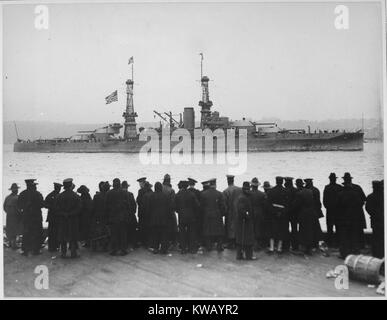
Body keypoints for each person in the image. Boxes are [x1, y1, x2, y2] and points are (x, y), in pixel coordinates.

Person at [337, 173, 366, 259]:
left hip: (344, 217)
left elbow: (337, 206)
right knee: (355, 233)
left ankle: (345, 253)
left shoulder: (340, 193)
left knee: (344, 235)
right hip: (355, 216)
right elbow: (363, 201)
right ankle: (356, 250)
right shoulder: (356, 190)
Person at [293, 179, 321, 255]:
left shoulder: (299, 193)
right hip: (312, 213)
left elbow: (296, 205)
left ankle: (306, 249)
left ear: (297, 185)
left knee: (304, 231)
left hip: (304, 214)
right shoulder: (310, 191)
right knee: (311, 230)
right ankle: (310, 247)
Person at [56, 178, 82, 258]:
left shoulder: (59, 196)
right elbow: (79, 208)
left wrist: (64, 214)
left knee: (63, 236)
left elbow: (56, 209)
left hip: (63, 219)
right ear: (71, 185)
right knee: (73, 236)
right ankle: (73, 253)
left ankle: (63, 253)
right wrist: (70, 214)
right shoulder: (76, 196)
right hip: (73, 219)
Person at [17, 179, 44, 256]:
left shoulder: (22, 194)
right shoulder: (37, 194)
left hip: (26, 217)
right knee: (36, 233)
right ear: (32, 186)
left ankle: (25, 250)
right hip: (36, 217)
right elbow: (42, 204)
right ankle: (36, 250)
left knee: (26, 233)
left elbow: (19, 206)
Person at [106, 178, 130, 256]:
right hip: (122, 217)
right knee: (123, 234)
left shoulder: (109, 193)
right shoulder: (124, 193)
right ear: (119, 184)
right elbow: (128, 205)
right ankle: (123, 250)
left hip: (113, 217)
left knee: (114, 234)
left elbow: (106, 205)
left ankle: (114, 250)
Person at [200, 179, 226, 252]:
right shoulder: (219, 194)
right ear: (215, 184)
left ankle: (208, 247)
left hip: (207, 215)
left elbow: (201, 206)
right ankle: (219, 246)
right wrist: (222, 214)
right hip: (217, 215)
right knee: (219, 231)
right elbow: (223, 206)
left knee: (207, 231)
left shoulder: (203, 194)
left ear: (209, 184)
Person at [175, 180, 200, 254]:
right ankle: (191, 248)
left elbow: (174, 206)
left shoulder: (178, 195)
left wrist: (178, 211)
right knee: (192, 232)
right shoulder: (191, 194)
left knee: (182, 232)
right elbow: (197, 205)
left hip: (182, 216)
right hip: (191, 216)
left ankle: (183, 248)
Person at [266, 176, 289, 254]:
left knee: (272, 230)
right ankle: (279, 248)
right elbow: (287, 204)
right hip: (282, 214)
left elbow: (268, 204)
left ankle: (272, 248)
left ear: (276, 181)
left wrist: (274, 212)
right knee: (281, 230)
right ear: (282, 182)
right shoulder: (286, 191)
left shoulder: (271, 191)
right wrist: (282, 212)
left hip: (273, 213)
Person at [149, 182, 172, 254]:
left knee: (155, 234)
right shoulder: (166, 196)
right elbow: (169, 208)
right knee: (164, 234)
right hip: (164, 219)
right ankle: (164, 249)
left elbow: (149, 207)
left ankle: (155, 248)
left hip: (154, 218)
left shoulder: (151, 196)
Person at [235, 182, 256, 260]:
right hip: (244, 222)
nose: (248, 190)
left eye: (249, 188)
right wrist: (247, 216)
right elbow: (241, 210)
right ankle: (248, 256)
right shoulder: (242, 198)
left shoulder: (245, 196)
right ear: (244, 189)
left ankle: (241, 255)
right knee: (246, 239)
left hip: (243, 221)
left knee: (243, 239)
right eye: (247, 189)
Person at [323, 173, 343, 248]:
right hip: (337, 211)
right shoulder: (339, 187)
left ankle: (330, 243)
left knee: (330, 227)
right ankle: (338, 242)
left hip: (330, 210)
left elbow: (324, 200)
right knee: (337, 227)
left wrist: (328, 207)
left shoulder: (327, 187)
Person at [222, 175, 242, 249]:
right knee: (237, 226)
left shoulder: (225, 191)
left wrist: (224, 212)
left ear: (227, 181)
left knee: (230, 227)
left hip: (230, 212)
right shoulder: (239, 189)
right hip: (238, 211)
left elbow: (224, 204)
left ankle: (231, 243)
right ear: (233, 180)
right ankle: (237, 242)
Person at [365, 180, 384, 258]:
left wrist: (373, 214)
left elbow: (367, 208)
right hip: (382, 220)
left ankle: (375, 253)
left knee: (375, 236)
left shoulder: (370, 196)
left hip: (374, 220)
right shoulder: (383, 196)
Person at [90, 181, 109, 251]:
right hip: (106, 216)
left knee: (96, 233)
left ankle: (95, 247)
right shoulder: (109, 195)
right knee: (105, 232)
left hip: (97, 217)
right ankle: (105, 246)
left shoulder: (96, 196)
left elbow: (93, 207)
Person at [249, 177, 267, 250]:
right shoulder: (262, 194)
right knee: (258, 228)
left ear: (252, 185)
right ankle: (258, 244)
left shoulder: (249, 193)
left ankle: (252, 244)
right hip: (259, 212)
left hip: (251, 212)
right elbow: (264, 205)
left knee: (251, 228)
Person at [44, 182, 62, 252]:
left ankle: (51, 247)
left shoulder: (50, 195)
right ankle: (56, 246)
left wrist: (51, 207)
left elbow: (45, 204)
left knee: (51, 232)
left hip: (51, 216)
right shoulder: (60, 196)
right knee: (57, 231)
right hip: (58, 217)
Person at [162, 174, 178, 250]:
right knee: (173, 226)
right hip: (169, 212)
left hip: (161, 212)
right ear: (169, 180)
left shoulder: (160, 188)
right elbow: (173, 203)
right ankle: (173, 242)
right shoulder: (171, 190)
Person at [3, 183, 22, 250]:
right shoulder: (18, 197)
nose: (17, 190)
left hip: (9, 216)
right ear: (15, 190)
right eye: (16, 189)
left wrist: (8, 212)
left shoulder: (7, 197)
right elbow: (20, 208)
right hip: (15, 216)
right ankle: (14, 245)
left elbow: (4, 207)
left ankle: (11, 243)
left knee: (10, 230)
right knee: (15, 230)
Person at [121, 180, 137, 250]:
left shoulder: (120, 195)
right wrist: (132, 212)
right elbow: (134, 205)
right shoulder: (130, 194)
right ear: (127, 187)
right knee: (132, 230)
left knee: (124, 231)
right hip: (130, 215)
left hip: (122, 216)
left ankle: (125, 244)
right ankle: (133, 244)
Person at [187, 177, 202, 250]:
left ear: (189, 184)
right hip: (196, 215)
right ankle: (195, 243)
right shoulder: (197, 192)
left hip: (187, 215)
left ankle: (188, 243)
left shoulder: (186, 192)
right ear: (194, 184)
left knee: (188, 230)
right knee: (195, 230)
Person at [284, 177, 298, 251]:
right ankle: (295, 246)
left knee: (285, 229)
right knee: (294, 230)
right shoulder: (295, 190)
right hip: (294, 213)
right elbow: (296, 203)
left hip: (286, 213)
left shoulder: (285, 190)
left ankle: (286, 246)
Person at [136, 177, 149, 247]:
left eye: (140, 183)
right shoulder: (150, 190)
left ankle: (143, 241)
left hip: (142, 212)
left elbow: (138, 201)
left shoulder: (140, 191)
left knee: (142, 227)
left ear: (142, 183)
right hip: (149, 213)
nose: (139, 185)